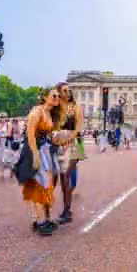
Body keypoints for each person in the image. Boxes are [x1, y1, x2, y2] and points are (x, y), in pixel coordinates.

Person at [22, 88, 62, 236]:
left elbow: (47, 133)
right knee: (40, 184)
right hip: (34, 150)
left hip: (44, 149)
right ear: (45, 97)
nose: (57, 98)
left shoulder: (48, 113)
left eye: (58, 96)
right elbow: (30, 135)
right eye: (54, 95)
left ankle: (38, 218)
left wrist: (56, 138)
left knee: (43, 184)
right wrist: (36, 156)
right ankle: (40, 222)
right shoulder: (36, 112)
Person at [56, 82, 84, 225]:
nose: (68, 92)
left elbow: (78, 128)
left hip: (73, 145)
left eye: (69, 90)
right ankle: (67, 209)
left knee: (66, 175)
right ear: (59, 93)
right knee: (63, 179)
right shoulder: (55, 109)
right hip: (60, 146)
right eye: (65, 90)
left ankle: (66, 211)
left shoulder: (76, 108)